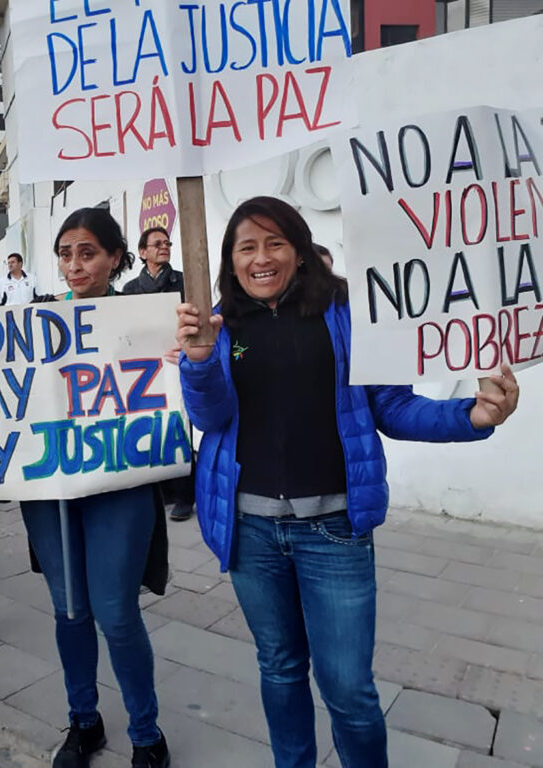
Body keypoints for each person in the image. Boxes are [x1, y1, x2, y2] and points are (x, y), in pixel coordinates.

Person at [176, 196, 520, 768]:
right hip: (250, 532)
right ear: (231, 260)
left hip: (334, 531)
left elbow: (393, 407)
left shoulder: (348, 314)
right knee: (280, 669)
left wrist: (472, 417)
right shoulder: (219, 326)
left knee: (350, 692)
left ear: (301, 250)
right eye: (247, 247)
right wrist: (199, 362)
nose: (261, 258)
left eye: (275, 243)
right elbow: (210, 418)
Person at [0, 208, 172, 767]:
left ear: (114, 259)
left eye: (87, 252)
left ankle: (147, 733)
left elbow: (219, 362)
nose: (74, 265)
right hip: (51, 490)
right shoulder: (31, 322)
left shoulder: (147, 317)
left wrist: (196, 355)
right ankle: (84, 721)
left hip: (119, 486)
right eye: (64, 254)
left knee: (117, 612)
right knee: (69, 610)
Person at [121, 226, 195, 522]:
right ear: (142, 252)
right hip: (145, 367)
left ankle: (185, 495)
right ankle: (163, 489)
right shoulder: (130, 290)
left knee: (180, 424)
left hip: (178, 360)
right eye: (157, 244)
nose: (164, 247)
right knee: (152, 424)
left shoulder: (183, 281)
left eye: (167, 243)